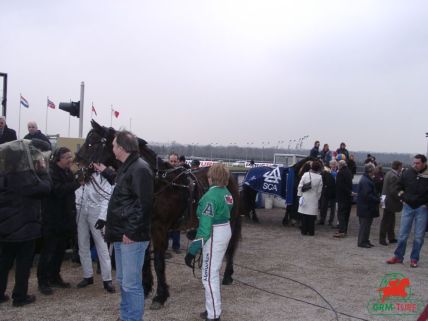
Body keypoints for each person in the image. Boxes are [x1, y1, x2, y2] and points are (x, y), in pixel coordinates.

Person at [105, 130, 153, 321]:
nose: (112, 148)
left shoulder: (140, 168)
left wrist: (131, 233)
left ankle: (133, 318)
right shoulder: (127, 167)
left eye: (114, 145)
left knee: (131, 284)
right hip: (121, 234)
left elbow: (145, 205)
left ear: (123, 148)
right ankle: (126, 317)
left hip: (131, 237)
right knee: (124, 281)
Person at [0, 141, 51, 306]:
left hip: (5, 227)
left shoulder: (3, 174)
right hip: (25, 227)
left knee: (4, 262)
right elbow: (45, 188)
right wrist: (43, 170)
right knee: (23, 264)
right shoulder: (26, 176)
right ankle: (20, 296)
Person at [184, 163, 233, 321]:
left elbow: (205, 229)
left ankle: (213, 315)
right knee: (212, 273)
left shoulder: (209, 197)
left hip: (214, 234)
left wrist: (192, 251)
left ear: (211, 178)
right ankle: (211, 309)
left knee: (208, 276)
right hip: (223, 229)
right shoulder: (226, 192)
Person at [37, 147, 80, 295]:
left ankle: (54, 276)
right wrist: (77, 183)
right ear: (58, 159)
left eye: (70, 156)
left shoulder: (67, 172)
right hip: (52, 219)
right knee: (48, 251)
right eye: (67, 157)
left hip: (65, 219)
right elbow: (58, 191)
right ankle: (42, 281)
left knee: (60, 251)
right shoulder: (51, 173)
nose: (70, 160)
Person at [74, 164, 115, 293]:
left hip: (96, 212)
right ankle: (87, 275)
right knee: (83, 244)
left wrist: (102, 217)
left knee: (102, 246)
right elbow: (77, 191)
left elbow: (106, 198)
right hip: (81, 210)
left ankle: (107, 279)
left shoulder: (103, 177)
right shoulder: (82, 172)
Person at [387, 154, 428, 268]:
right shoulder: (407, 173)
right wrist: (402, 198)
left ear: (424, 163)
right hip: (408, 207)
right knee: (403, 234)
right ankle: (398, 257)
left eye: (418, 163)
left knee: (419, 236)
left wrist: (426, 204)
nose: (415, 165)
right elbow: (397, 187)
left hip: (422, 208)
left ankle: (414, 259)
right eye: (414, 163)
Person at [379, 161, 403, 246]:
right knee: (386, 220)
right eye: (401, 166)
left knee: (390, 219)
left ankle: (391, 237)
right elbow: (394, 191)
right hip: (389, 201)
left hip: (384, 199)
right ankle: (382, 239)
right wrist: (402, 195)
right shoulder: (394, 176)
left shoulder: (389, 173)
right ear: (399, 166)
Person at [356, 163, 380, 248]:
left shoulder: (366, 179)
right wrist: (378, 200)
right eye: (374, 169)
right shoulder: (366, 181)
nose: (375, 171)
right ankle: (362, 241)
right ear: (371, 170)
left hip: (365, 207)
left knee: (366, 225)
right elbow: (367, 195)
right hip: (366, 207)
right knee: (364, 225)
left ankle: (365, 240)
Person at [297, 160, 323, 236]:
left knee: (304, 216)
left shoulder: (305, 175)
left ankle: (304, 231)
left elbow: (300, 186)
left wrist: (299, 195)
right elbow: (319, 190)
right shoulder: (320, 177)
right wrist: (317, 198)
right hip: (314, 198)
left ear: (311, 167)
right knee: (311, 217)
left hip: (305, 197)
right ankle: (311, 231)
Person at [333, 160, 353, 238]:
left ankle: (341, 231)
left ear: (340, 165)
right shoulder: (349, 172)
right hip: (348, 197)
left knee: (341, 214)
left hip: (342, 197)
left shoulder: (340, 173)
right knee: (346, 215)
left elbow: (339, 185)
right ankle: (345, 230)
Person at [167, 152, 182, 254]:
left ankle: (176, 246)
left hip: (177, 205)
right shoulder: (164, 172)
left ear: (178, 162)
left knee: (177, 226)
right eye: (171, 161)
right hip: (166, 204)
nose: (173, 163)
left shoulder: (182, 173)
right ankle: (164, 246)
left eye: (175, 161)